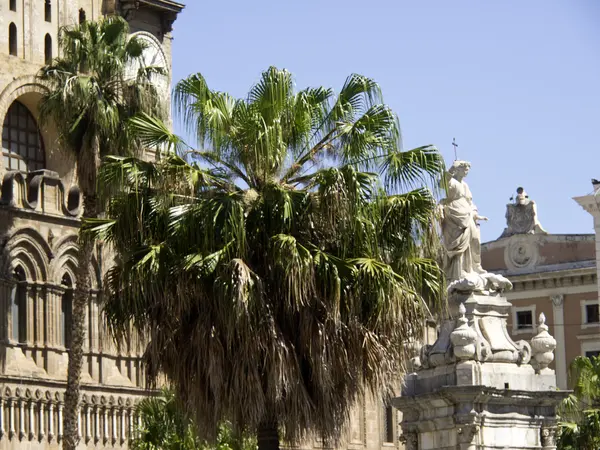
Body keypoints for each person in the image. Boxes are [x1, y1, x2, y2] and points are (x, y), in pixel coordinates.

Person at [440, 160, 488, 283]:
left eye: (467, 170)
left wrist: (476, 214)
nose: (466, 172)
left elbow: (470, 202)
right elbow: (442, 183)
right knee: (459, 243)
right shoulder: (452, 182)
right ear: (458, 169)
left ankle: (475, 265)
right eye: (464, 169)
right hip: (454, 213)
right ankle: (459, 270)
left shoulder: (465, 185)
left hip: (467, 213)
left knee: (475, 239)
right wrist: (451, 169)